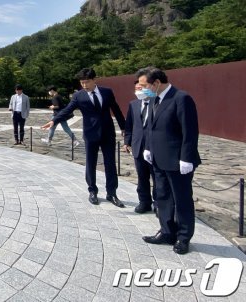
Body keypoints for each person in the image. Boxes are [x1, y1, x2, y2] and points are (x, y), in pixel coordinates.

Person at [138, 67, 201, 255]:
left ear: (156, 83)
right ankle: (167, 231)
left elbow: (190, 131)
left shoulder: (181, 98)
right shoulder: (153, 99)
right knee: (163, 197)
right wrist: (148, 147)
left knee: (181, 200)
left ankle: (183, 237)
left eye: (144, 85)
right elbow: (151, 126)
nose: (142, 89)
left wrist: (186, 158)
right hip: (158, 158)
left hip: (178, 161)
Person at [42, 68, 125, 207]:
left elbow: (116, 109)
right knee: (90, 163)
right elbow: (67, 110)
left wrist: (124, 127)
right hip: (90, 133)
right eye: (82, 83)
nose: (84, 85)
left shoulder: (107, 92)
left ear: (94, 80)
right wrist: (54, 121)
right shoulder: (78, 96)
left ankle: (112, 193)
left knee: (110, 163)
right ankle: (92, 191)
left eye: (87, 82)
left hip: (107, 133)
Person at [123, 82, 157, 214]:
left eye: (141, 88)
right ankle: (144, 202)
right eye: (136, 88)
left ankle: (158, 203)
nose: (138, 91)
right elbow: (129, 125)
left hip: (154, 147)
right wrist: (127, 142)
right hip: (138, 146)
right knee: (142, 177)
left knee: (156, 177)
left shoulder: (157, 102)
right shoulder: (133, 104)